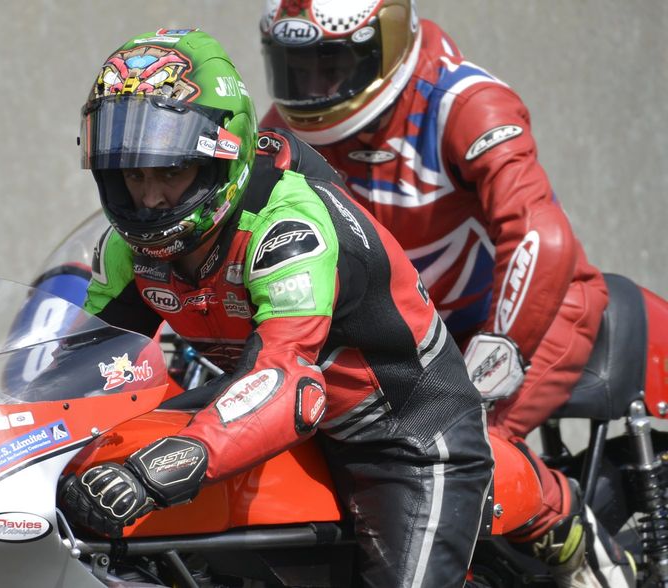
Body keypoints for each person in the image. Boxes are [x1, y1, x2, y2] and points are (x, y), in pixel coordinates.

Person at [58, 28, 493, 587]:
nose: (150, 198)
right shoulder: (129, 248)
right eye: (133, 174)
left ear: (221, 159)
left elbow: (289, 385)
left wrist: (153, 473)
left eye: (170, 171)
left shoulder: (287, 228)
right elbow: (82, 364)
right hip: (264, 404)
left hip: (403, 433)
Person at [257, 1, 635, 586]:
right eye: (295, 67)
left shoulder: (464, 104)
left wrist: (500, 347)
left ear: (385, 43)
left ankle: (578, 540)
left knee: (454, 456)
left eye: (331, 65)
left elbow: (540, 235)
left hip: (526, 316)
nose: (313, 87)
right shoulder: (281, 131)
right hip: (406, 339)